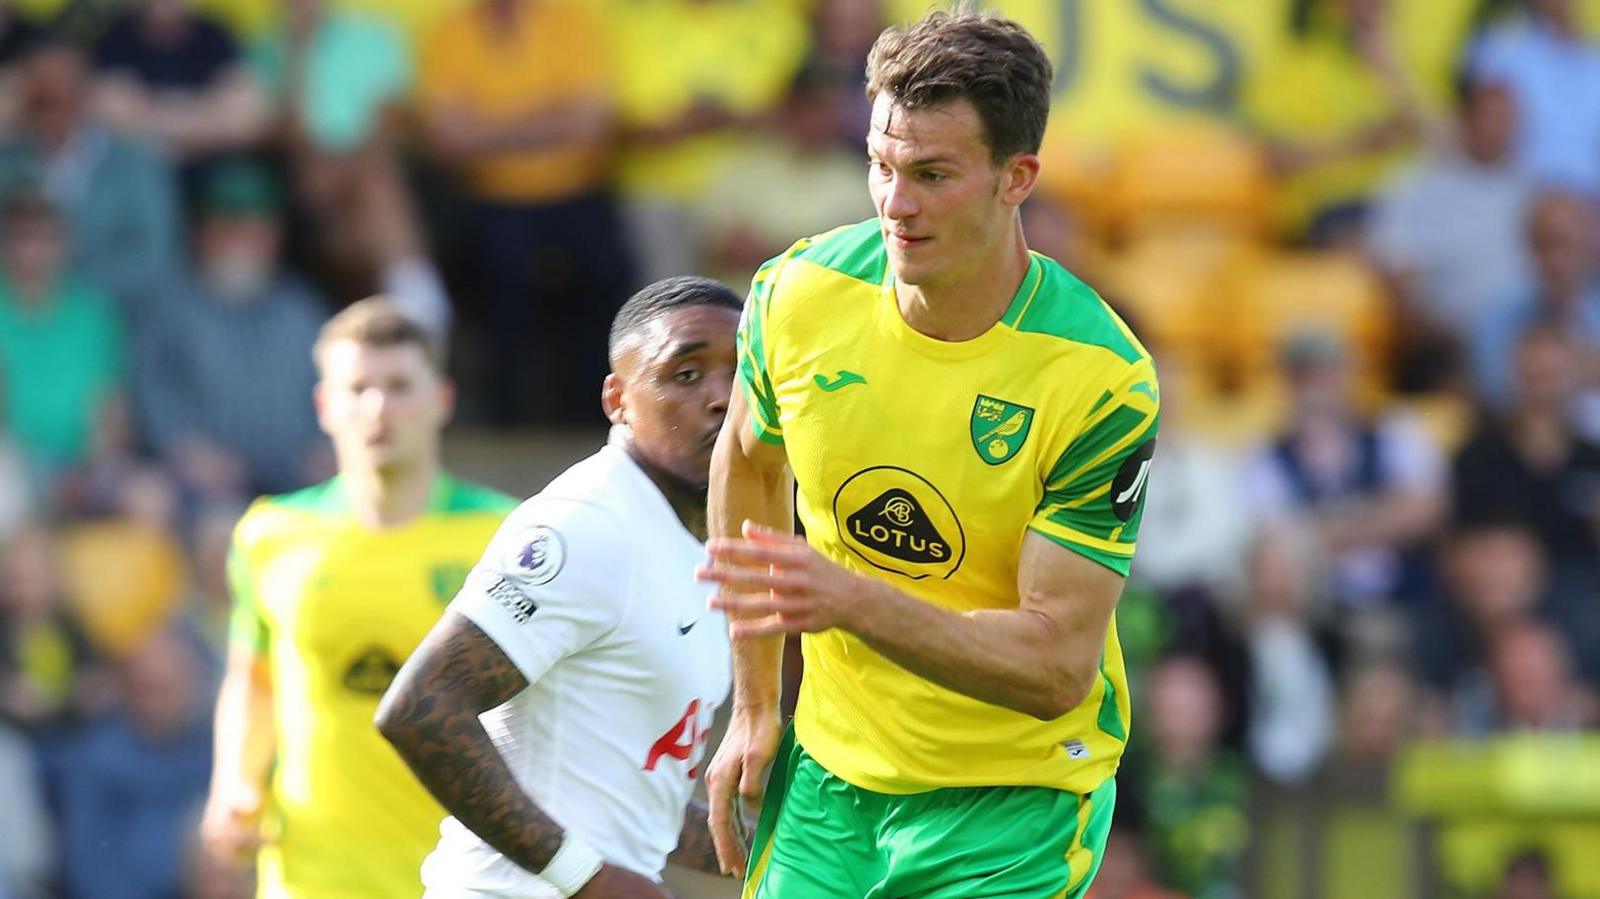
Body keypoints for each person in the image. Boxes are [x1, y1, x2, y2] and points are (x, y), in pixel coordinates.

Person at [698, 11, 1160, 898]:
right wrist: (758, 706)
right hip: (831, 784)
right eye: (880, 163)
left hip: (1011, 800)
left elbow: (1056, 666)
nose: (894, 204)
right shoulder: (797, 294)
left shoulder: (1100, 378)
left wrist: (855, 600)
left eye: (933, 174)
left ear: (1015, 178)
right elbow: (752, 462)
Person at [376, 276, 742, 897]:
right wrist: (585, 878)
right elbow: (422, 707)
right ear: (617, 400)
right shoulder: (589, 524)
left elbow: (633, 804)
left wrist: (790, 852)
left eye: (740, 373)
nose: (722, 398)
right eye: (686, 374)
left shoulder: (685, 540)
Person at [198, 298, 517, 898]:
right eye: (358, 388)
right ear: (325, 405)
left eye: (399, 385)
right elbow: (254, 676)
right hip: (315, 872)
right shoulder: (271, 534)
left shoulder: (508, 537)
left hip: (469, 873)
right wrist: (233, 782)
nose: (378, 408)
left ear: (441, 400)